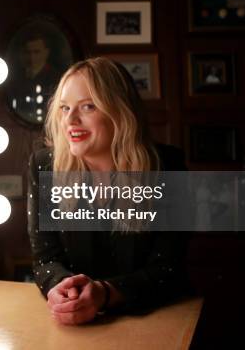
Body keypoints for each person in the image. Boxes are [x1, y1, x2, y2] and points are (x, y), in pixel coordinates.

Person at [28, 57, 191, 324]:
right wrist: (61, 288)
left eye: (88, 106)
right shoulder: (44, 166)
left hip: (155, 319)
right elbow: (46, 260)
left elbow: (168, 268)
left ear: (120, 111)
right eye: (64, 108)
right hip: (74, 325)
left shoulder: (167, 167)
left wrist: (104, 294)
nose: (70, 119)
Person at [9, 34, 63, 124]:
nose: (31, 57)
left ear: (46, 52)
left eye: (36, 52)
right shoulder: (15, 77)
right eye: (27, 52)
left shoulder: (57, 77)